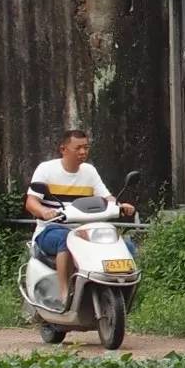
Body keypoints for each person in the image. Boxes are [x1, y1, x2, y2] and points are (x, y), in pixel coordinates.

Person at [25, 129, 136, 308]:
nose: (83, 152)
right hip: (51, 229)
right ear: (63, 149)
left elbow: (107, 198)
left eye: (86, 147)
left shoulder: (89, 171)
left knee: (125, 245)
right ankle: (64, 293)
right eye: (78, 148)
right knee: (66, 241)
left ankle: (118, 293)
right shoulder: (46, 169)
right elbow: (31, 202)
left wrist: (120, 206)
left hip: (86, 232)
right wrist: (45, 212)